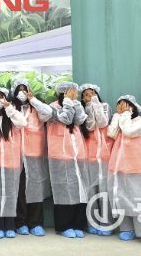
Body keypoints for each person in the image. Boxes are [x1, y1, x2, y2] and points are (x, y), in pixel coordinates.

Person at [108, 95, 141, 248]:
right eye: (119, 105)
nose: (121, 108)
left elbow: (129, 132)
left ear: (132, 107)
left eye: (124, 105)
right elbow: (111, 133)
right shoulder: (121, 120)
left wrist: (125, 114)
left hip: (135, 166)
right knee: (121, 197)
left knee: (139, 200)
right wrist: (117, 116)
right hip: (118, 166)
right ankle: (127, 228)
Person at [47, 82, 89, 238]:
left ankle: (79, 224)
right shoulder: (52, 107)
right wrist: (68, 102)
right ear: (64, 93)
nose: (76, 94)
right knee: (64, 190)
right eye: (73, 92)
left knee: (80, 189)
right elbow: (66, 119)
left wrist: (74, 103)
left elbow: (80, 120)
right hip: (60, 153)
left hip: (77, 152)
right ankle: (64, 226)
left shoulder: (76, 104)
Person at [11, 78, 52, 237]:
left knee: (36, 190)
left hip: (34, 155)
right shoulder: (12, 107)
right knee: (19, 191)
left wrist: (33, 99)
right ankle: (20, 223)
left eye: (24, 89)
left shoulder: (37, 108)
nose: (22, 92)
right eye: (19, 89)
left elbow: (48, 113)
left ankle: (36, 223)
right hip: (16, 156)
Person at [0, 85, 28, 239]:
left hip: (12, 162)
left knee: (11, 193)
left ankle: (9, 224)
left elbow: (22, 123)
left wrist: (8, 108)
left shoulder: (12, 116)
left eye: (1, 97)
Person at [79, 83, 113, 236]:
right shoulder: (82, 110)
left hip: (105, 154)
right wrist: (89, 108)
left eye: (92, 93)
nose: (89, 96)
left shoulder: (105, 106)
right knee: (90, 190)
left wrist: (95, 104)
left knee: (105, 190)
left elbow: (103, 122)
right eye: (86, 95)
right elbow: (91, 126)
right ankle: (92, 223)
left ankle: (107, 223)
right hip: (89, 154)